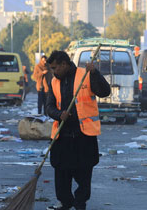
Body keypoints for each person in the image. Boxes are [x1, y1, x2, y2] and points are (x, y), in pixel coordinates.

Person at [45, 50, 110, 210]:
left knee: (84, 172)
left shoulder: (85, 74)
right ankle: (65, 202)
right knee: (61, 172)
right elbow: (49, 107)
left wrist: (94, 73)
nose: (53, 71)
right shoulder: (54, 82)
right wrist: (60, 114)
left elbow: (104, 91)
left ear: (64, 64)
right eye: (52, 68)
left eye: (55, 68)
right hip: (62, 134)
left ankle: (80, 203)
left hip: (83, 134)